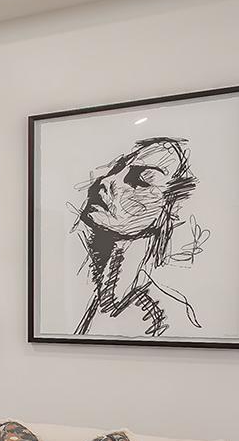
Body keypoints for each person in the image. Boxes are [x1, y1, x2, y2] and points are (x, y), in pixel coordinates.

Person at [73, 136, 203, 336]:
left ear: (173, 207)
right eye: (117, 170)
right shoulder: (90, 289)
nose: (105, 181)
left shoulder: (161, 318)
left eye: (140, 179)